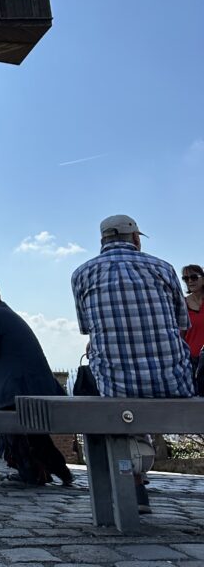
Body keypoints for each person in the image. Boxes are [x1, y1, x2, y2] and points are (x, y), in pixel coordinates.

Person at [71, 214, 194, 514]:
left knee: (115, 396)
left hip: (117, 388)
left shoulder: (81, 274)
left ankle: (133, 488)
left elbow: (87, 328)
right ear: (136, 239)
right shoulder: (163, 268)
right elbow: (183, 324)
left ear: (102, 241)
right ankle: (138, 484)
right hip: (173, 384)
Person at [0, 279, 73, 485]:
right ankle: (60, 471)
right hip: (34, 388)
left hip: (17, 389)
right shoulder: (7, 314)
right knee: (30, 425)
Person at [181, 263, 204, 396]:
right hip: (191, 361)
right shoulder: (182, 303)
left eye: (194, 277)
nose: (190, 281)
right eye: (185, 278)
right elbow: (180, 335)